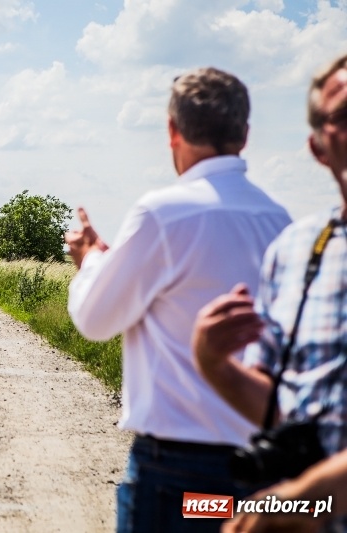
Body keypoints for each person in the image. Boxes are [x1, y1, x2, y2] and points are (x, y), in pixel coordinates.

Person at [64, 67, 291, 533]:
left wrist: (90, 260)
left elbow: (95, 319)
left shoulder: (164, 213)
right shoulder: (281, 220)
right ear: (244, 135)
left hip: (177, 467)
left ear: (172, 131)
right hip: (265, 469)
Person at [193, 53, 347, 532]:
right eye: (344, 116)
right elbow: (285, 407)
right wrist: (213, 365)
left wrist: (302, 497)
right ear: (319, 146)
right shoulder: (298, 250)